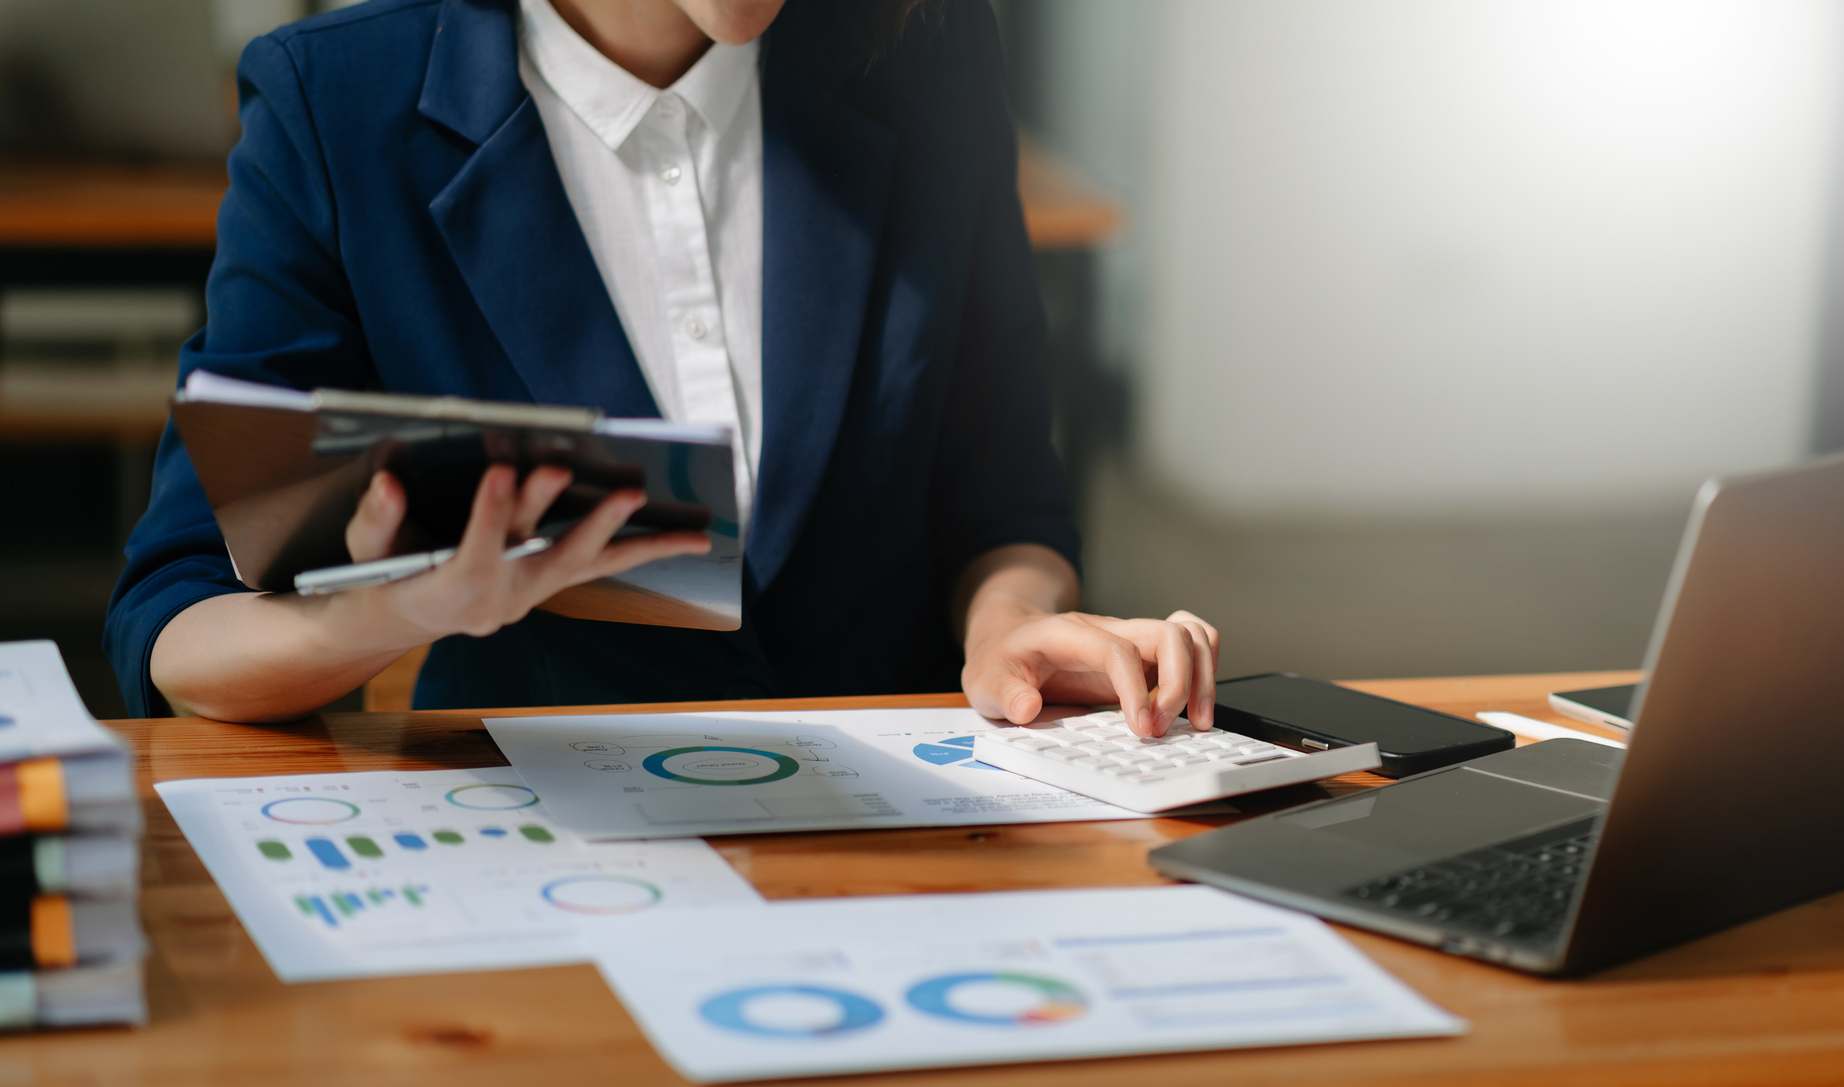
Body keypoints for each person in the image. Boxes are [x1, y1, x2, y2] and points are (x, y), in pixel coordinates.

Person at [105, 0, 1220, 737]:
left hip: (909, 836)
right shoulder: (337, 102)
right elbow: (182, 621)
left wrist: (1003, 631)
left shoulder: (925, 53)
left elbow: (1004, 500)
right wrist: (403, 611)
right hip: (551, 864)